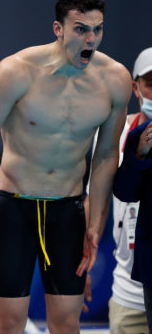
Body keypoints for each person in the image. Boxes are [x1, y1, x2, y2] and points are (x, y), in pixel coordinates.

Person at [0, 0, 131, 334]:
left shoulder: (114, 80)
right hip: (15, 209)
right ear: (58, 29)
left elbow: (105, 155)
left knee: (67, 321)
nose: (91, 39)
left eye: (98, 29)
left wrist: (96, 222)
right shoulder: (16, 71)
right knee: (9, 322)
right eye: (81, 29)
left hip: (66, 211)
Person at [113, 47, 152, 333]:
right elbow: (115, 194)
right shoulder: (122, 134)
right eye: (151, 83)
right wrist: (137, 154)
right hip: (132, 282)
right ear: (135, 87)